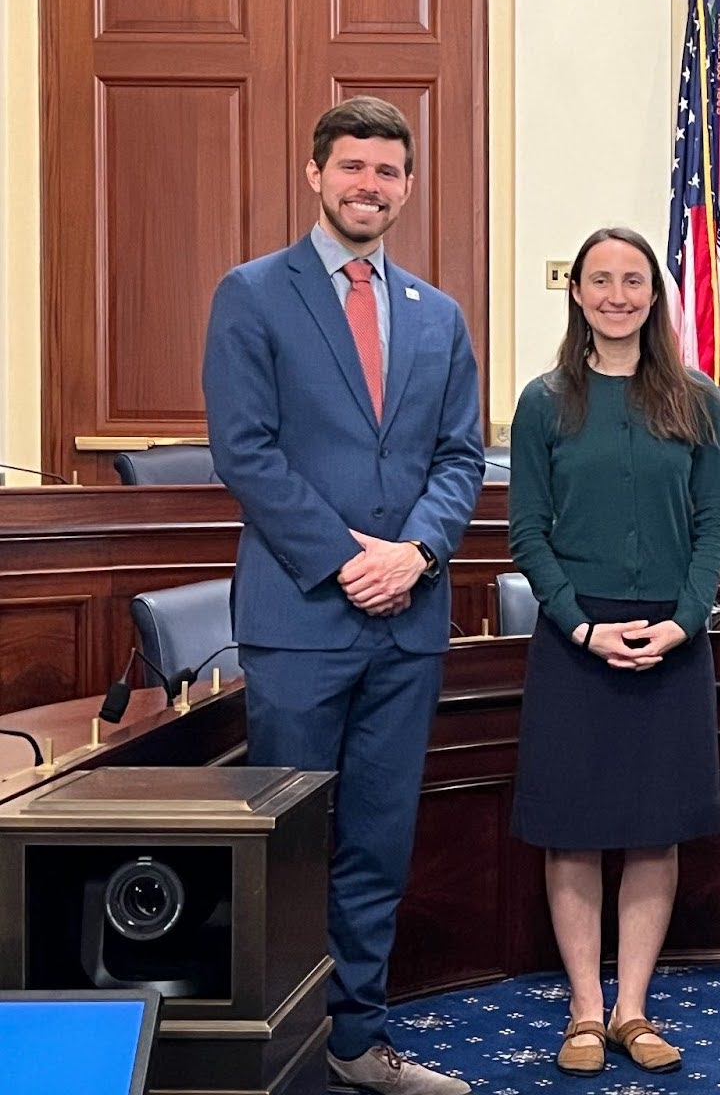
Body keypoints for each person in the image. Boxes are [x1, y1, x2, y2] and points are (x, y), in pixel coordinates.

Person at [202, 96, 484, 1095]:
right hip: (300, 620)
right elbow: (244, 447)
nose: (371, 185)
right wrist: (343, 556)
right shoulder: (251, 294)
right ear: (315, 172)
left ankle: (357, 1043)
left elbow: (460, 457)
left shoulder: (438, 316)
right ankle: (278, 1055)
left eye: (389, 171)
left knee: (376, 839)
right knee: (289, 848)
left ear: (407, 186)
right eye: (353, 167)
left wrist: (413, 552)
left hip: (406, 626)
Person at [508, 226, 720, 1079]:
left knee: (651, 833)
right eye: (600, 280)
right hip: (576, 639)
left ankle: (633, 1009)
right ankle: (584, 1011)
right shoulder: (544, 402)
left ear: (654, 293)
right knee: (573, 833)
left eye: (632, 280)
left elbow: (715, 526)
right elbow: (528, 533)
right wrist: (579, 624)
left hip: (674, 638)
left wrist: (684, 620)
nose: (615, 295)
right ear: (577, 293)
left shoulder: (696, 400)